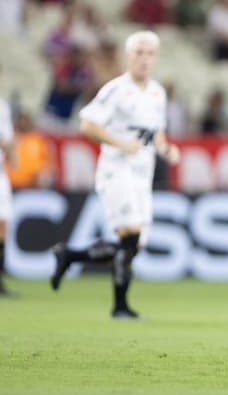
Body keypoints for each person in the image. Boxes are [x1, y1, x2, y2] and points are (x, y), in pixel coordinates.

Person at [50, 31, 181, 318]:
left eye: (149, 54)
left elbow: (157, 132)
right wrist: (121, 143)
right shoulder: (116, 89)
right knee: (130, 235)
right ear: (127, 56)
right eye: (139, 53)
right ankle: (120, 307)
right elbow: (87, 124)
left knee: (134, 244)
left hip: (142, 175)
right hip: (117, 170)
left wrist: (166, 149)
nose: (144, 59)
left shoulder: (157, 93)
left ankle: (70, 255)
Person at [0, 91, 16, 296]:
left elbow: (8, 138)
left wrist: (13, 156)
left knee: (3, 224)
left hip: (0, 174)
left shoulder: (2, 106)